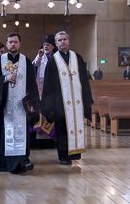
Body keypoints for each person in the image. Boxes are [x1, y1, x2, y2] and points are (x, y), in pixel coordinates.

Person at [0, 32, 40, 174]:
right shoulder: (0, 61)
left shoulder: (27, 61)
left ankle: (23, 161)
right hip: (6, 106)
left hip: (21, 107)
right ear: (6, 44)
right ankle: (7, 163)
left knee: (21, 133)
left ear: (20, 44)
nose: (13, 44)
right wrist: (5, 79)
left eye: (15, 42)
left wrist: (34, 103)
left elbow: (32, 84)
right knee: (7, 135)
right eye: (10, 42)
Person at [41, 31, 94, 165]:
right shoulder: (53, 61)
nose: (62, 42)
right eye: (59, 40)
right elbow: (48, 84)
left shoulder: (78, 58)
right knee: (62, 130)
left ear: (68, 41)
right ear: (56, 44)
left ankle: (75, 153)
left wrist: (87, 100)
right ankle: (64, 156)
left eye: (64, 39)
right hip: (60, 103)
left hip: (76, 102)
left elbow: (84, 81)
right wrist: (49, 106)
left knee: (76, 127)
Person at [31, 34, 57, 148]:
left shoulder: (57, 57)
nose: (46, 46)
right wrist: (39, 57)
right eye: (44, 44)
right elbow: (33, 68)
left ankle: (52, 140)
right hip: (40, 91)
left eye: (48, 45)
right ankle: (38, 141)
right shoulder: (40, 57)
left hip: (53, 91)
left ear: (53, 46)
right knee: (40, 114)